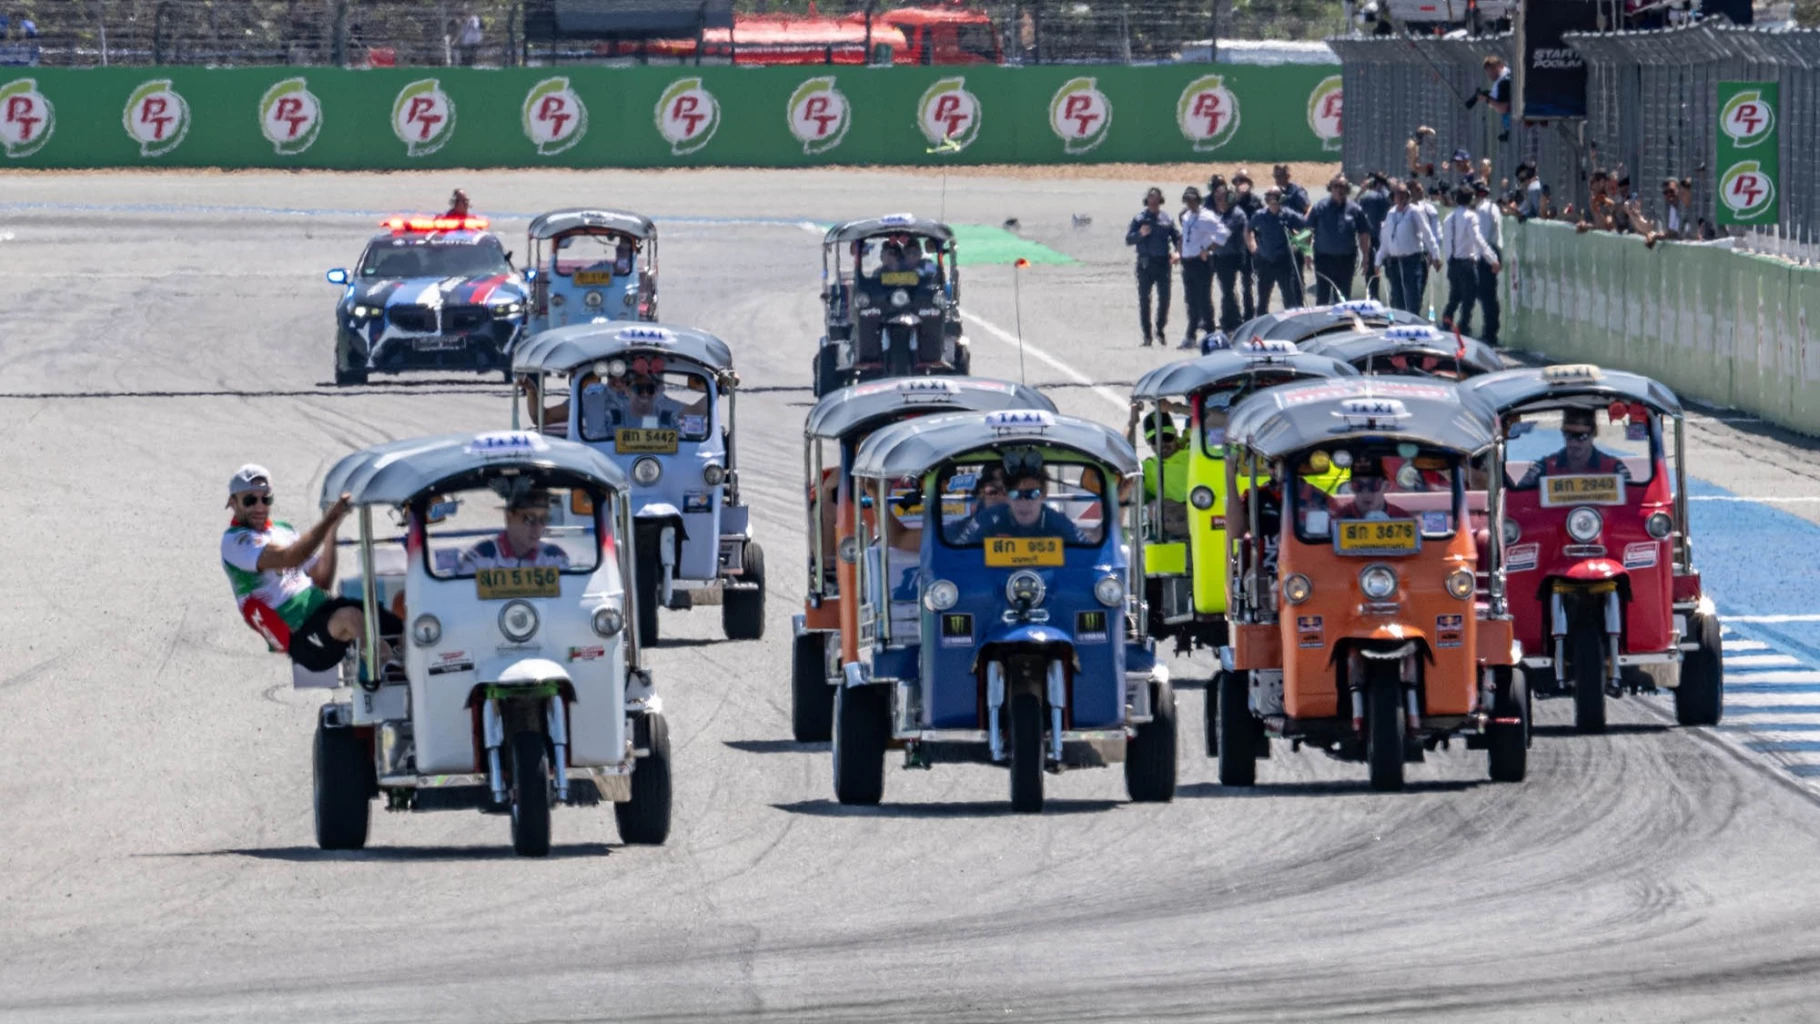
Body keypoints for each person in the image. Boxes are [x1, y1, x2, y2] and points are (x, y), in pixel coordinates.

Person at [220, 465, 401, 674]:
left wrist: (332, 529)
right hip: (299, 634)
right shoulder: (235, 541)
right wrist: (329, 518)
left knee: (392, 623)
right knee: (350, 617)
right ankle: (384, 670)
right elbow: (290, 557)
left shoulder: (283, 530)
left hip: (323, 610)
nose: (260, 507)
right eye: (250, 500)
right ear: (233, 503)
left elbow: (322, 578)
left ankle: (408, 667)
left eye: (266, 499)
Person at [947, 457, 1085, 545]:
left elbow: (1090, 556)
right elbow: (957, 553)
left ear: (1044, 494)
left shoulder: (1060, 523)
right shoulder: (986, 520)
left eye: (1032, 494)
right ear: (1007, 496)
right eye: (1015, 494)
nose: (1024, 502)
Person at [1513, 409, 1635, 488]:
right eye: (1568, 435)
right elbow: (1519, 497)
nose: (1573, 443)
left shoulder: (1615, 468)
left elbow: (1632, 501)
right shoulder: (1543, 468)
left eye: (1581, 437)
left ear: (1594, 434)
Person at [459, 489, 571, 571]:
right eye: (529, 519)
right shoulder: (481, 557)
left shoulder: (555, 557)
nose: (538, 528)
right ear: (509, 517)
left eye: (544, 519)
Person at [1126, 187, 1180, 347]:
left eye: (1156, 198)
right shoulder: (1139, 219)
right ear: (1147, 200)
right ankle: (1147, 335)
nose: (1153, 201)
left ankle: (1160, 329)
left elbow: (1177, 238)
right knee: (1145, 300)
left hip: (1163, 263)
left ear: (1160, 200)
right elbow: (1128, 239)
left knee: (1164, 299)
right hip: (1145, 264)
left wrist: (1178, 253)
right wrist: (1140, 234)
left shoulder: (1167, 219)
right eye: (1151, 197)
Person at [1439, 185, 1497, 336]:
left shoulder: (1449, 218)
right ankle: (1463, 326)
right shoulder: (1471, 217)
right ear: (1471, 199)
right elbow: (1477, 239)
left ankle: (1446, 322)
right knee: (1469, 298)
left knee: (1454, 296)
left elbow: (1447, 242)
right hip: (1467, 263)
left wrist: (1449, 258)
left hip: (1453, 262)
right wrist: (1492, 258)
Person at [1307, 175, 1374, 305]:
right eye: (1336, 186)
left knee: (1343, 298)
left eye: (1342, 186)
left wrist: (1366, 256)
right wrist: (1306, 253)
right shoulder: (1319, 207)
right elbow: (1307, 231)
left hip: (1346, 260)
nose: (1339, 189)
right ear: (1330, 188)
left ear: (1347, 189)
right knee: (1322, 297)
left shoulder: (1355, 209)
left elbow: (1364, 234)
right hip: (1323, 259)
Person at [1375, 181, 1440, 314]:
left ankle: (1412, 322)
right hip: (1394, 262)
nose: (1400, 197)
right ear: (1393, 197)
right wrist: (1378, 261)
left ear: (1408, 196)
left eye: (1403, 194)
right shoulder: (1391, 213)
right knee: (1397, 298)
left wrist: (1435, 255)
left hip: (1411, 261)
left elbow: (1427, 234)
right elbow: (1386, 240)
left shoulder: (1414, 211)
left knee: (1412, 298)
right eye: (1397, 194)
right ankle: (1399, 323)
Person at [1178, 185, 1225, 347]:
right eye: (1187, 200)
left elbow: (1223, 233)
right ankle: (1191, 335)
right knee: (1190, 300)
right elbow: (1185, 237)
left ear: (1198, 200)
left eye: (1192, 200)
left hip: (1201, 262)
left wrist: (1209, 249)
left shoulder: (1207, 216)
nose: (1190, 203)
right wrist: (1180, 253)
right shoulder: (1186, 216)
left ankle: (1210, 333)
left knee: (1204, 299)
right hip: (1188, 262)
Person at [1248, 187, 1307, 313]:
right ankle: (1262, 320)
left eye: (1275, 198)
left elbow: (1307, 227)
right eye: (1270, 198)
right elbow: (1248, 229)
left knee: (1289, 296)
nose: (1272, 201)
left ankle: (1291, 319)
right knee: (1263, 297)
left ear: (1281, 199)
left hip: (1283, 261)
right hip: (1265, 261)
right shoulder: (1260, 215)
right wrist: (1252, 245)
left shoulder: (1289, 215)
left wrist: (1297, 242)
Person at [1207, 184, 1250, 332]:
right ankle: (1229, 318)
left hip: (1231, 257)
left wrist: (1205, 245)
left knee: (1228, 290)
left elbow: (1222, 235)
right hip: (1220, 257)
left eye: (1221, 199)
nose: (1218, 202)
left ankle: (1233, 321)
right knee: (1226, 290)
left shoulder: (1236, 214)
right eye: (1217, 199)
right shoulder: (1222, 214)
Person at [1140, 415, 1191, 537]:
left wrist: (1177, 408)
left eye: (1167, 437)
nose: (1162, 444)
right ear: (1147, 442)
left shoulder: (1194, 445)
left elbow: (1213, 417)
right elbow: (1121, 462)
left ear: (1175, 434)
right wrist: (1131, 424)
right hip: (1178, 522)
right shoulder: (1147, 467)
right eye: (1155, 440)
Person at [1472, 180, 1505, 346]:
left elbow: (1482, 237)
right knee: (1486, 294)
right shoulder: (1491, 207)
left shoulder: (1483, 210)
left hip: (1487, 253)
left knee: (1487, 295)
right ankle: (1490, 330)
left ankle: (1490, 332)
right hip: (1491, 251)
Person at [1331, 457, 1409, 521]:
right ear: (1351, 487)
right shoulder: (1339, 519)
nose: (1366, 494)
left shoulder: (1402, 518)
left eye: (1373, 485)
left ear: (1386, 486)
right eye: (1358, 486)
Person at [1356, 172, 1393, 301]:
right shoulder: (1390, 196)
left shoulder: (1368, 197)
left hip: (1372, 237)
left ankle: (1373, 296)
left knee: (1371, 270)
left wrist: (1361, 191)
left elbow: (1355, 209)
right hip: (1389, 239)